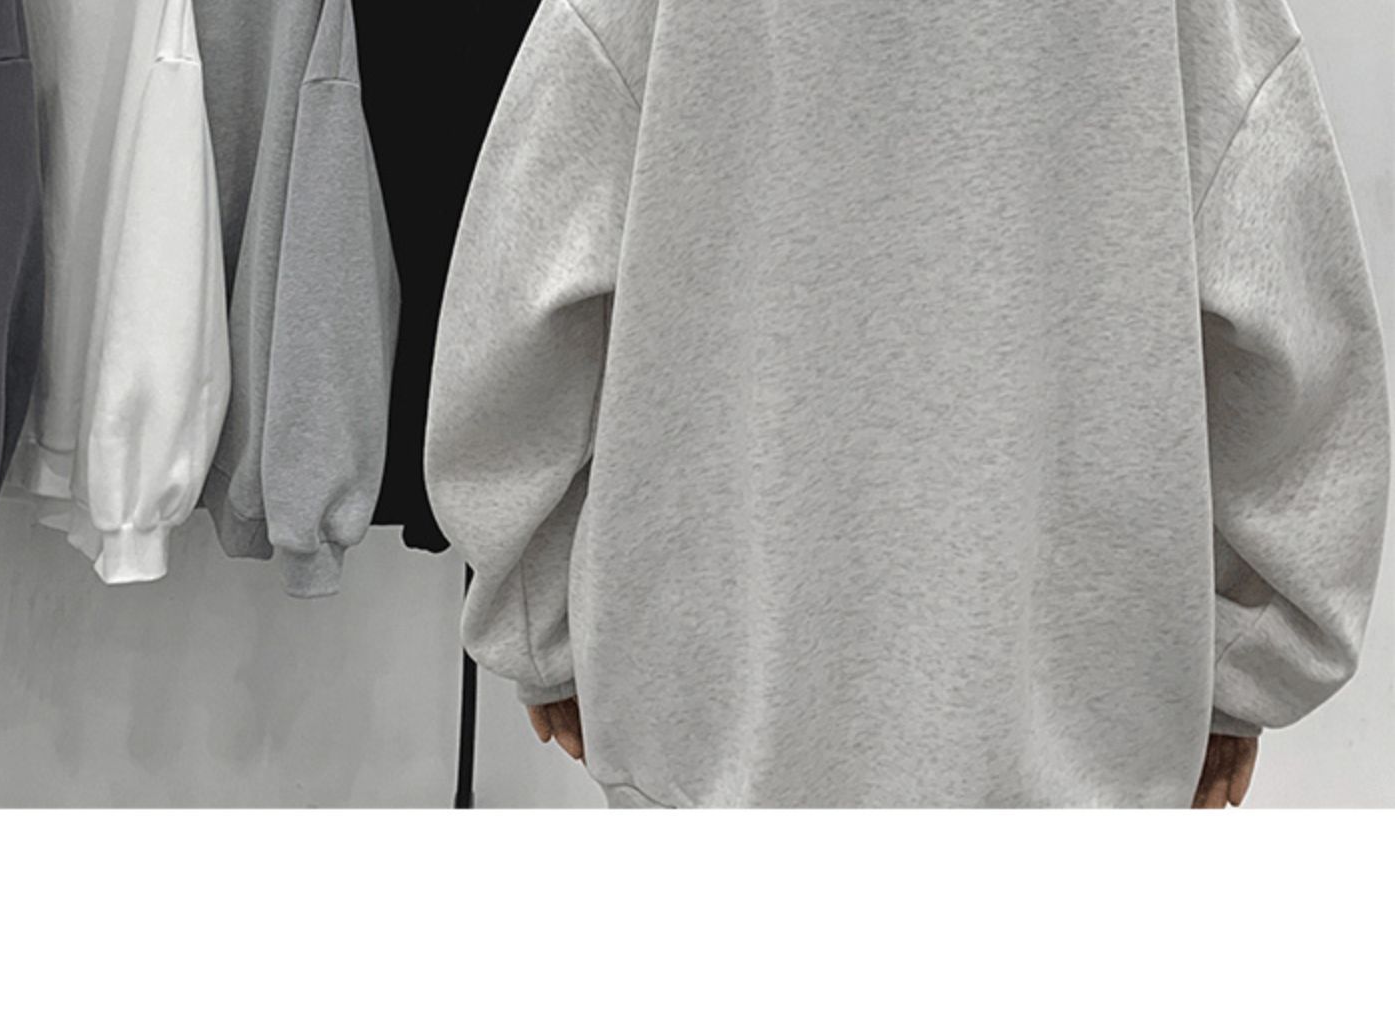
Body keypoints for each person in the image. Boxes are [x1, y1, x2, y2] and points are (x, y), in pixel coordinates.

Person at [424, 0, 1392, 808]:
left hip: (723, 758)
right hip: (1080, 769)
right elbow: (1301, 328)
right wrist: (1243, 666)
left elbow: (512, 302)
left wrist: (544, 629)